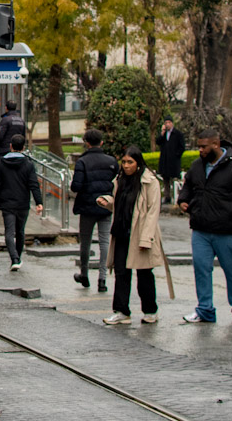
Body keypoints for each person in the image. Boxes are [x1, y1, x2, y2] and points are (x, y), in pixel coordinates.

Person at [178, 127, 232, 324]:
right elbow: (188, 186)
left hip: (226, 229)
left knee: (231, 270)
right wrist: (183, 200)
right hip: (201, 229)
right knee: (201, 269)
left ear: (216, 144)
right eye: (199, 146)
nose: (200, 150)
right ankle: (205, 309)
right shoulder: (197, 166)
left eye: (204, 147)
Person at [97, 146, 168, 324]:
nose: (127, 166)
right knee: (121, 272)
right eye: (124, 162)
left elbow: (153, 212)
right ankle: (121, 311)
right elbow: (120, 204)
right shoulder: (119, 180)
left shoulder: (149, 181)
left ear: (138, 163)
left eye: (130, 162)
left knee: (144, 273)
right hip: (121, 231)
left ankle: (150, 310)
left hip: (140, 232)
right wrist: (108, 201)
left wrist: (146, 238)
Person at [70, 128, 118, 291]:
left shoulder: (82, 162)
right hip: (106, 206)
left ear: (87, 143)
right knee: (104, 241)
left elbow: (76, 186)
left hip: (87, 206)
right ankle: (102, 279)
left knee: (85, 242)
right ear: (101, 142)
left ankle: (84, 274)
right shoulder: (111, 161)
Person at [0, 134, 44, 270]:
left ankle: (14, 258)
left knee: (9, 231)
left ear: (10, 146)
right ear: (23, 148)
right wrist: (39, 202)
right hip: (22, 203)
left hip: (7, 203)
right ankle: (17, 257)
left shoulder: (0, 163)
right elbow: (33, 184)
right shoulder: (28, 164)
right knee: (20, 231)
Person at [156, 118, 185, 204]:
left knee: (174, 179)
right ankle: (167, 196)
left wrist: (176, 155)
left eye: (169, 122)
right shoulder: (164, 134)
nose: (167, 124)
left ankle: (176, 196)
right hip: (165, 161)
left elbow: (182, 147)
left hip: (174, 162)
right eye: (166, 123)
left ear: (172, 123)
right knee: (166, 180)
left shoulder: (178, 134)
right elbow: (158, 142)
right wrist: (162, 134)